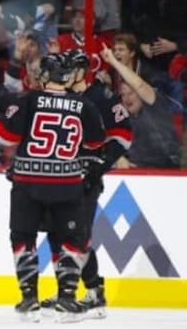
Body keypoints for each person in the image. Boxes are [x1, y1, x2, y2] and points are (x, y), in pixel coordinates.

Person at [0, 53, 106, 322]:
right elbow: (95, 142)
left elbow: (4, 135)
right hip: (68, 184)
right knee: (70, 240)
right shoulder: (84, 105)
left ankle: (29, 299)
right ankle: (67, 299)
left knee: (23, 237)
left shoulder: (30, 100)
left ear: (45, 76)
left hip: (29, 183)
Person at [40, 49, 133, 319]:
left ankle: (93, 292)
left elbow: (124, 134)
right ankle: (70, 291)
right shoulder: (64, 97)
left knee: (76, 235)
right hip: (61, 176)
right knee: (57, 233)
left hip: (85, 178)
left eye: (71, 69)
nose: (66, 74)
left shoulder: (100, 96)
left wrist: (99, 166)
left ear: (82, 71)